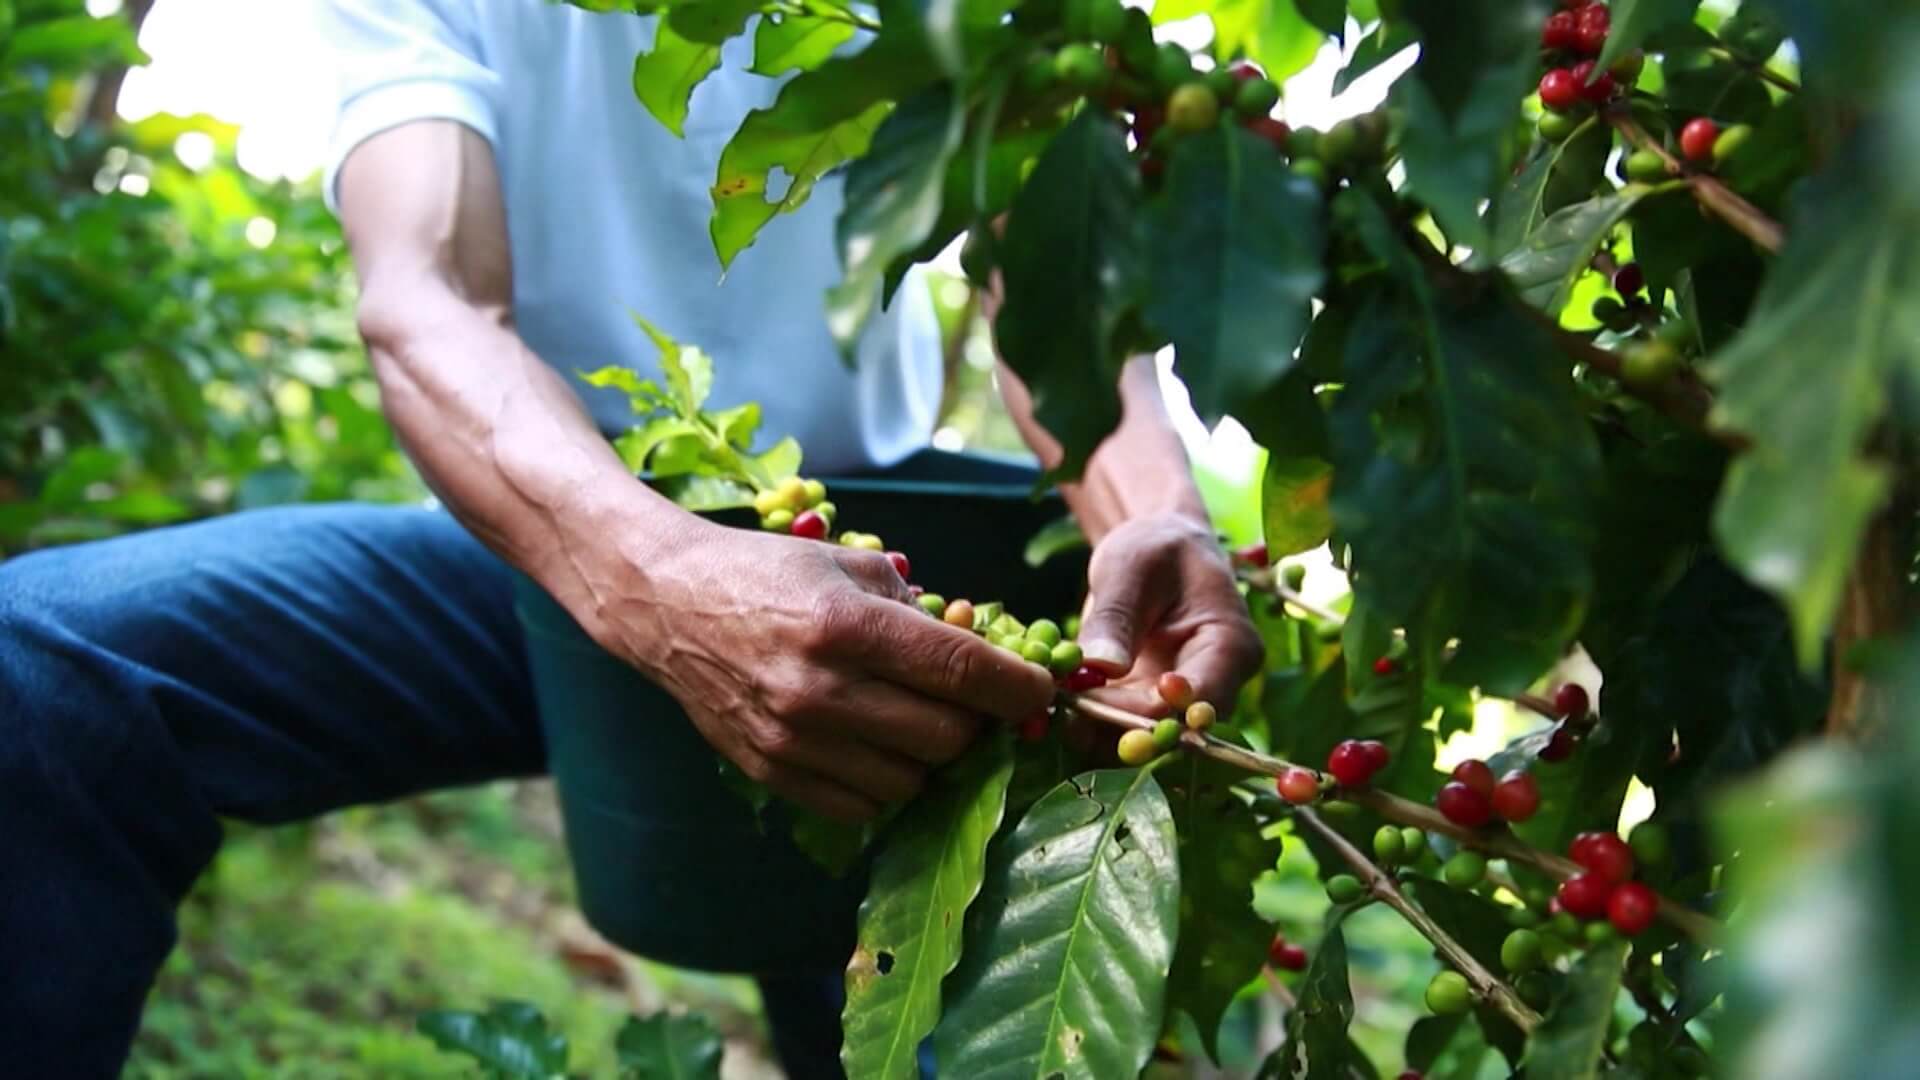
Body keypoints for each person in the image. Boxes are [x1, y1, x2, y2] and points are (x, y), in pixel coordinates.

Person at [0, 1, 1262, 1075]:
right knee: (45, 668)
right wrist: (655, 577)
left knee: (917, 1012)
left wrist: (1154, 512)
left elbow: (1041, 280)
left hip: (878, 564)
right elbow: (426, 296)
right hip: (534, 532)